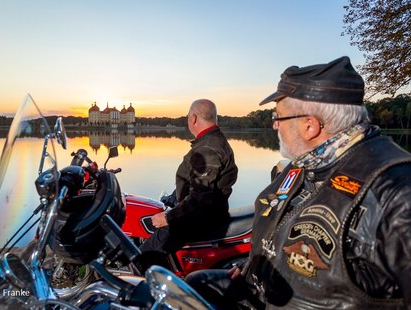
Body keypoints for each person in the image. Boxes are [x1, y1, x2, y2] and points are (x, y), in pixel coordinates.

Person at [185, 56, 411, 309]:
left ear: (309, 126)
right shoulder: (305, 165)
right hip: (261, 291)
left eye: (278, 117)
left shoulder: (397, 193)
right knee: (195, 285)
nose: (274, 125)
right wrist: (250, 267)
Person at [139, 99, 238, 262]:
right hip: (205, 212)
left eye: (187, 117)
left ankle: (142, 284)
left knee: (143, 256)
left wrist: (169, 218)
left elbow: (201, 196)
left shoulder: (208, 148)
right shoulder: (211, 141)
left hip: (201, 217)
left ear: (193, 118)